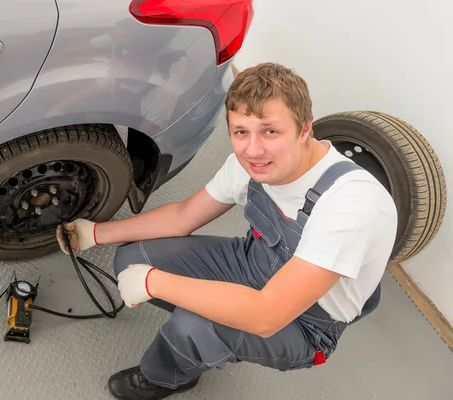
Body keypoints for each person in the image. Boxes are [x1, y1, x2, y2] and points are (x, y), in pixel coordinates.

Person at [56, 62, 398, 400]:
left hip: (305, 323)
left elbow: (268, 314)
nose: (252, 150)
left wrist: (154, 283)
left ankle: (168, 376)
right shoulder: (250, 163)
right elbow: (184, 215)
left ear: (305, 129)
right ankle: (215, 329)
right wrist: (94, 233)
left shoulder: (351, 206)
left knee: (192, 324)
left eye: (270, 131)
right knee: (134, 256)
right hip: (255, 263)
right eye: (240, 132)